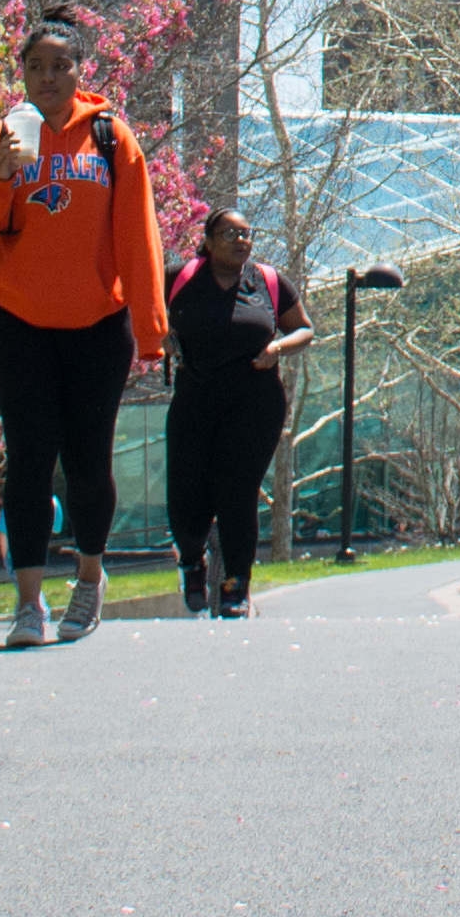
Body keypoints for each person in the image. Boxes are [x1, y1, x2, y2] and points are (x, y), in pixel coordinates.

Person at [0, 17, 170, 648]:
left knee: (88, 462)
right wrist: (0, 177)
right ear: (22, 73)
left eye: (60, 65)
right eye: (36, 66)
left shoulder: (110, 139)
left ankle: (89, 580)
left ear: (80, 71)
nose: (48, 77)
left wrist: (151, 331)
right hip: (18, 326)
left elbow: (137, 240)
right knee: (30, 462)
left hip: (98, 327)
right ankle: (27, 604)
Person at [162, 204, 303, 617]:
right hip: (195, 399)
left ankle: (235, 588)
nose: (242, 241)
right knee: (187, 496)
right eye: (230, 234)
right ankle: (192, 561)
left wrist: (277, 347)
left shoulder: (269, 282)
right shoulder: (180, 278)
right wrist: (162, 335)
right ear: (208, 241)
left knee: (237, 494)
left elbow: (304, 328)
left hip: (254, 402)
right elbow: (144, 309)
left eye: (247, 234)